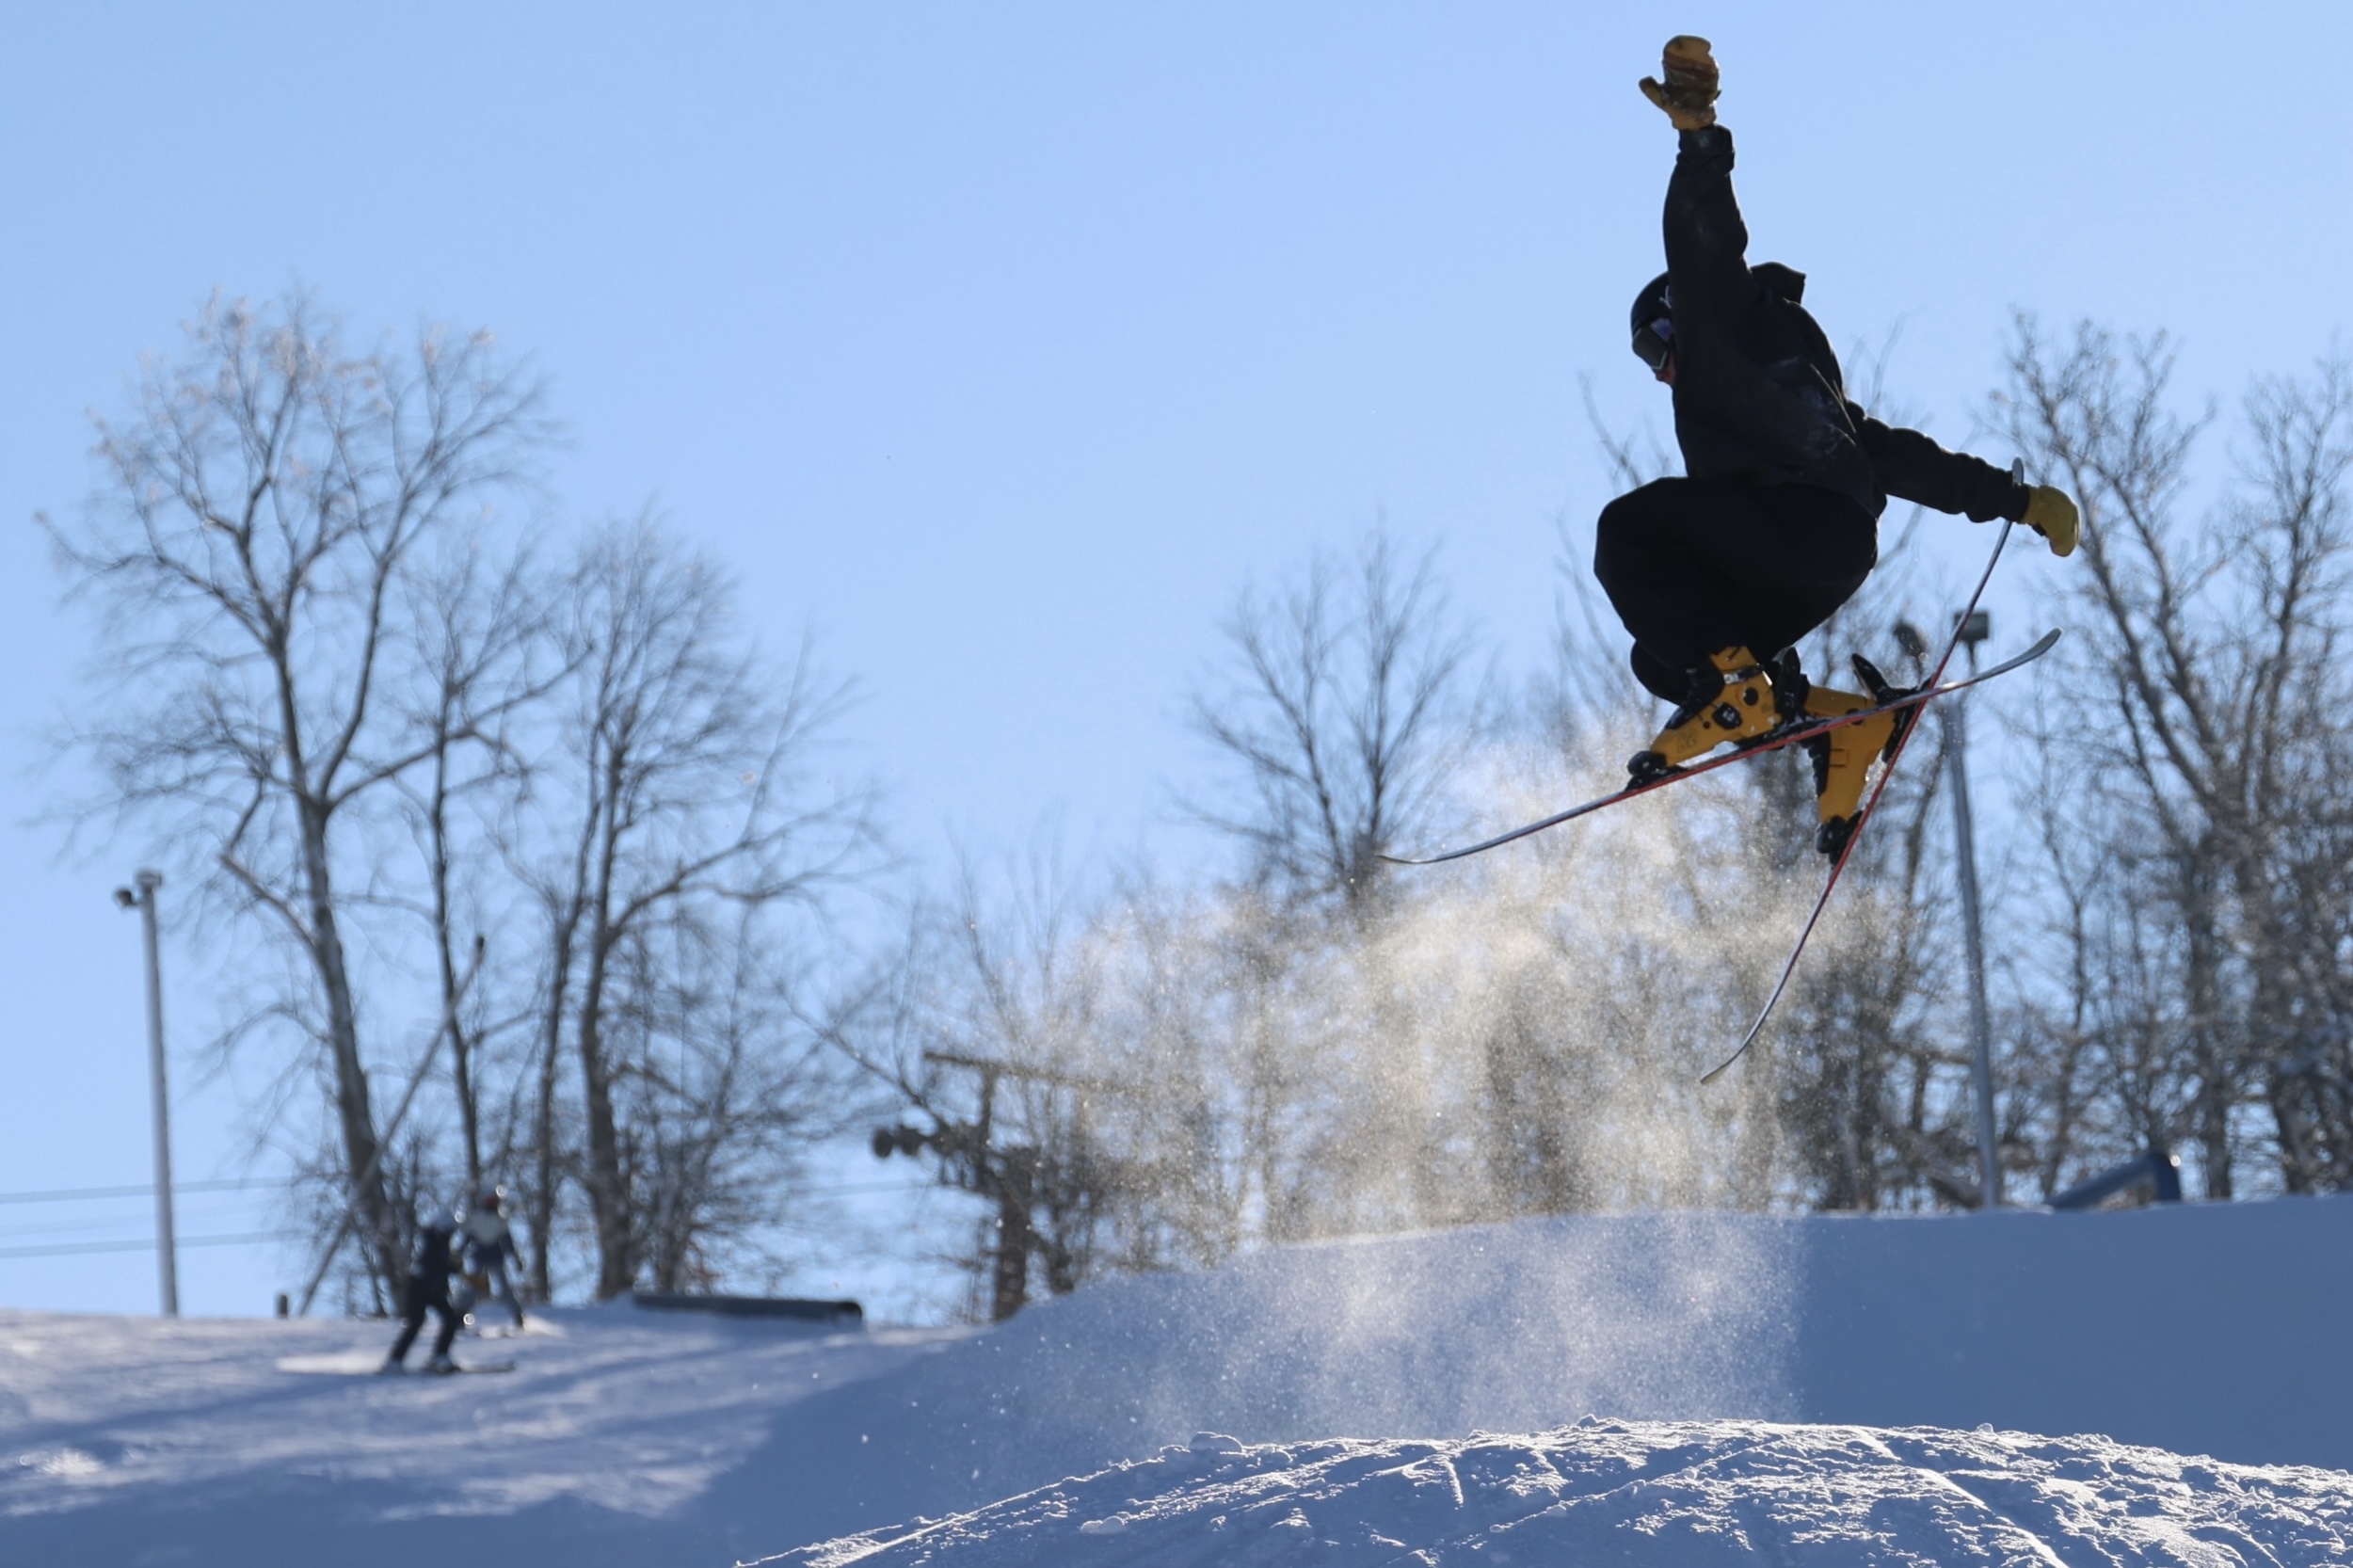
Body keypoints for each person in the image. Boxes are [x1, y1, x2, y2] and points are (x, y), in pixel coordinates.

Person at [1597, 36, 2080, 857]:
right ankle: (1837, 730)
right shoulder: (1793, 383)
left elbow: (1704, 244)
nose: (1659, 372)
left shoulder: (1715, 326)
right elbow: (1886, 452)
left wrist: (1700, 138)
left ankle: (1736, 689)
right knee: (1660, 656)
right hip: (1828, 551)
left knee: (1629, 531)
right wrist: (2015, 498)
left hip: (1795, 526)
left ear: (1677, 320)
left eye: (1652, 350)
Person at [381, 1208, 462, 1374]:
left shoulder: (441, 1243)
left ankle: (440, 1356)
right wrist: (451, 1266)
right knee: (416, 1322)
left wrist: (454, 1267)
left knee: (451, 1319)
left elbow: (445, 1267)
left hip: (435, 1291)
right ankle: (395, 1360)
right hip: (419, 1289)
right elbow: (437, 1265)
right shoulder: (432, 1242)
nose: (451, 1234)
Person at [457, 1186, 526, 1332]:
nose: (493, 1204)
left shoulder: (500, 1219)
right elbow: (467, 1238)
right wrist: (459, 1252)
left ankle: (517, 1315)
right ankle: (460, 1316)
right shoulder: (477, 1217)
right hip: (480, 1257)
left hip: (495, 1258)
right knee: (473, 1287)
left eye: (495, 1201)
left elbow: (507, 1241)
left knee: (504, 1288)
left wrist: (515, 1258)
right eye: (491, 1201)